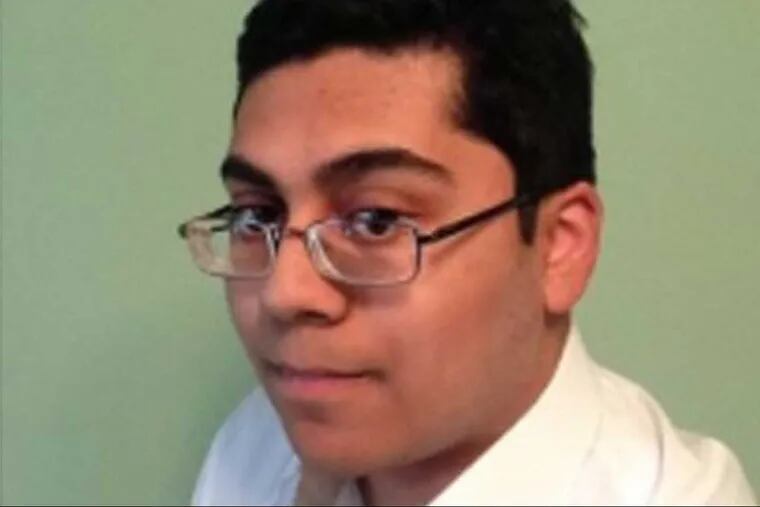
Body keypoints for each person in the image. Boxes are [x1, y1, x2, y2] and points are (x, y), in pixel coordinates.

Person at [179, 0, 756, 505]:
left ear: (560, 245)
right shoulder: (256, 444)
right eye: (257, 216)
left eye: (376, 221)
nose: (283, 292)